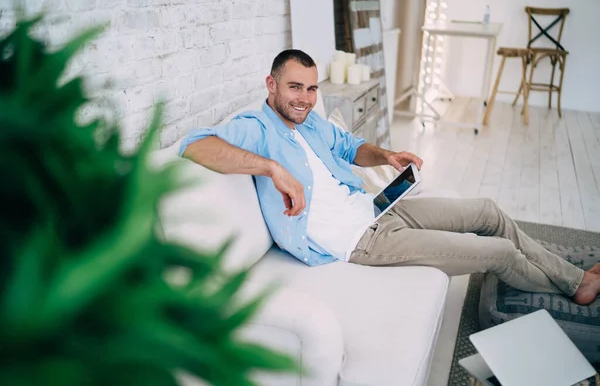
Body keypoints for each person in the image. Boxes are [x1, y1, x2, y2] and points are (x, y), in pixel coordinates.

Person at [179, 49, 600, 306]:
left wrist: (386, 156)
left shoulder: (308, 121)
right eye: (294, 87)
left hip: (377, 209)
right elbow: (194, 146)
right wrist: (271, 168)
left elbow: (349, 147)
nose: (305, 98)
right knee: (500, 252)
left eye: (311, 89)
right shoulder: (254, 126)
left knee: (488, 211)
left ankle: (575, 278)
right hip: (361, 240)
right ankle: (573, 288)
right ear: (271, 84)